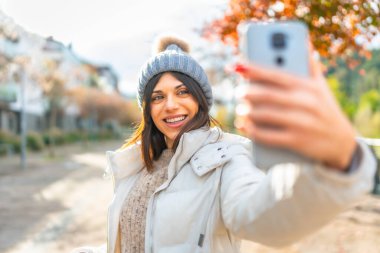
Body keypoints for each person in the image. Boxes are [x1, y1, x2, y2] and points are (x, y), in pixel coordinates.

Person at [72, 35, 376, 253]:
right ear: (147, 109)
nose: (170, 105)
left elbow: (266, 215)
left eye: (182, 92)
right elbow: (137, 240)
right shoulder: (138, 166)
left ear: (201, 99)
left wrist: (334, 159)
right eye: (157, 96)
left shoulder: (228, 158)